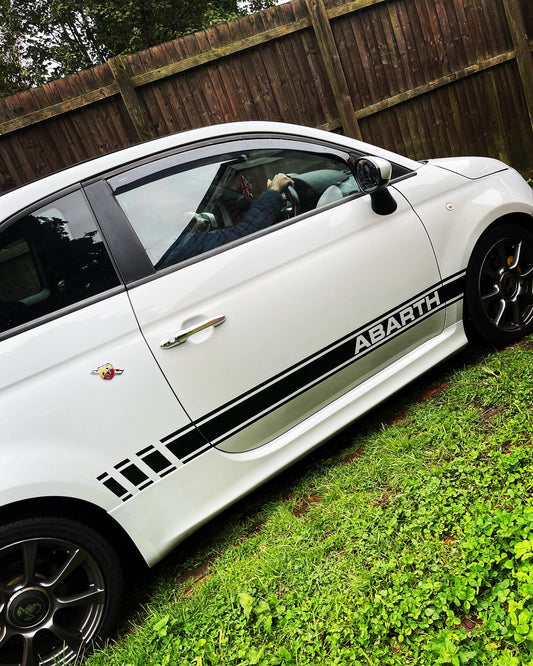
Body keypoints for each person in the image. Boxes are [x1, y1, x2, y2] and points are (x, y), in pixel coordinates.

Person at [156, 173, 294, 268]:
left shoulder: (160, 247)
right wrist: (273, 191)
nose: (184, 201)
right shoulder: (180, 246)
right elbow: (246, 234)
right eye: (174, 198)